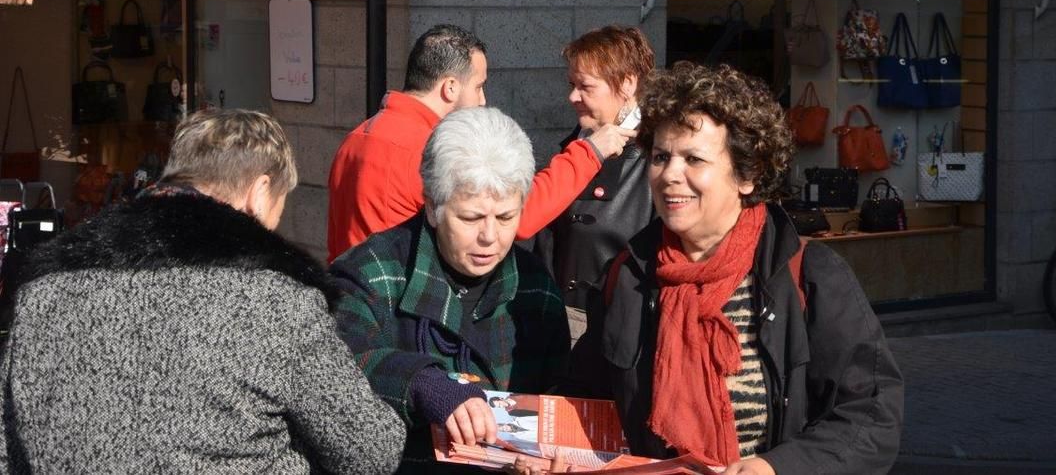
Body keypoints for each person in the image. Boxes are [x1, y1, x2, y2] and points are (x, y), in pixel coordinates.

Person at [0, 109, 404, 474]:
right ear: (259, 193)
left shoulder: (42, 293)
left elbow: (8, 450)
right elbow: (370, 452)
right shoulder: (277, 303)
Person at [571, 62, 903, 474]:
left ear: (747, 175)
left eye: (694, 158)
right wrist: (557, 450)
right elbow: (586, 398)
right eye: (660, 157)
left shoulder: (808, 274)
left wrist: (778, 467)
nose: (670, 175)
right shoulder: (629, 275)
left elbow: (871, 411)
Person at [332, 106, 571, 474]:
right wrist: (422, 382)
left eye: (506, 217)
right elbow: (339, 360)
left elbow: (556, 402)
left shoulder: (537, 291)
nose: (489, 237)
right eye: (471, 217)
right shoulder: (369, 273)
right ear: (432, 206)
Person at [327, 24, 633, 261]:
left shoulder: (356, 139)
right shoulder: (433, 151)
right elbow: (518, 218)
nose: (483, 100)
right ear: (449, 88)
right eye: (479, 86)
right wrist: (589, 152)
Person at [532, 25, 656, 334]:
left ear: (627, 84)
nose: (572, 96)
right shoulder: (575, 147)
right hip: (553, 320)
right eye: (571, 84)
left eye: (585, 86)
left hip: (619, 329)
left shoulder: (658, 160)